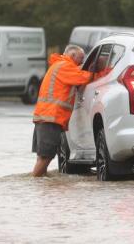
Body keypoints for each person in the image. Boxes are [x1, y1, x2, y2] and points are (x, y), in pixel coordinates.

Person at [31, 44, 93, 177]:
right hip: (51, 118)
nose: (82, 63)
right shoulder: (65, 66)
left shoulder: (58, 65)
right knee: (46, 157)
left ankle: (40, 187)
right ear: (72, 55)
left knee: (42, 157)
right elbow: (82, 77)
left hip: (45, 117)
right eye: (81, 59)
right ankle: (34, 185)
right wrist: (94, 70)